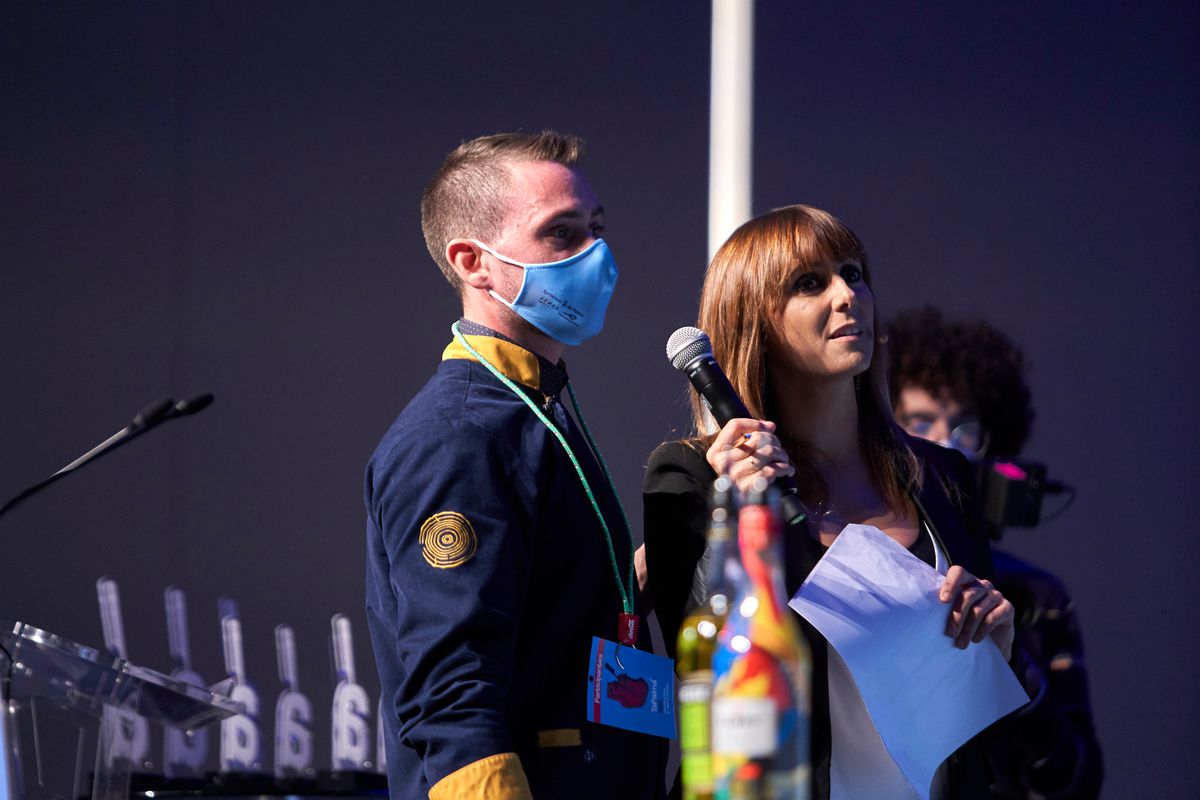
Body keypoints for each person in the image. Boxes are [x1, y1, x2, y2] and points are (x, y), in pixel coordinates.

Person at [643, 205, 1020, 799]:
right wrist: (735, 514)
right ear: (753, 321)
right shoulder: (694, 475)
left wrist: (995, 641)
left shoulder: (940, 475)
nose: (847, 296)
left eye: (853, 273)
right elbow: (702, 673)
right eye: (809, 283)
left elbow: (980, 730)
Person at [365, 132, 665, 800]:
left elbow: (558, 611)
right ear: (474, 263)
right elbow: (453, 693)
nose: (595, 254)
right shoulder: (459, 436)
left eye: (595, 228)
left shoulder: (534, 407)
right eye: (561, 233)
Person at [888, 306, 1103, 799]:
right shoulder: (856, 571)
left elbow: (1076, 782)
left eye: (964, 429)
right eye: (921, 423)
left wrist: (1011, 662)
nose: (947, 446)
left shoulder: (1037, 597)